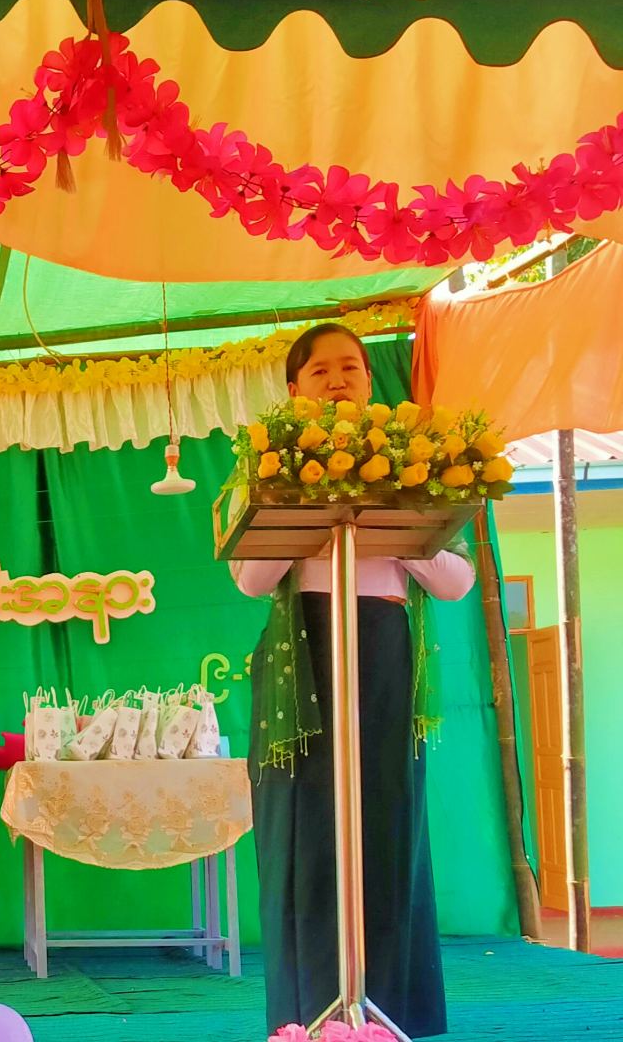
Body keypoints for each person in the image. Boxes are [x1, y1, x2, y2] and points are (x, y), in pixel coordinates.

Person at [230, 323, 474, 1038]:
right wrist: (301, 498)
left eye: (351, 368)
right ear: (293, 389)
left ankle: (389, 1013)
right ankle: (308, 1014)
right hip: (302, 662)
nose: (338, 380)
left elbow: (455, 582)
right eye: (321, 371)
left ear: (370, 381)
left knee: (387, 829)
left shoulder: (413, 462)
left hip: (384, 654)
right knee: (307, 835)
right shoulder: (271, 462)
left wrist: (391, 512)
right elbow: (251, 579)